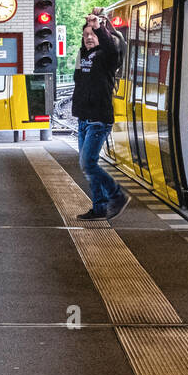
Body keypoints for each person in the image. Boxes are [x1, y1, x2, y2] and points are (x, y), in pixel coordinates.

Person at [72, 12, 129, 220]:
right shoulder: (84, 56)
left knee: (88, 163)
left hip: (98, 120)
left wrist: (99, 27)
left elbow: (111, 48)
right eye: (86, 34)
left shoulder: (107, 58)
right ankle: (99, 208)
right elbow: (79, 83)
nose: (88, 37)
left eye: (92, 34)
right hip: (84, 120)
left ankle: (117, 196)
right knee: (88, 165)